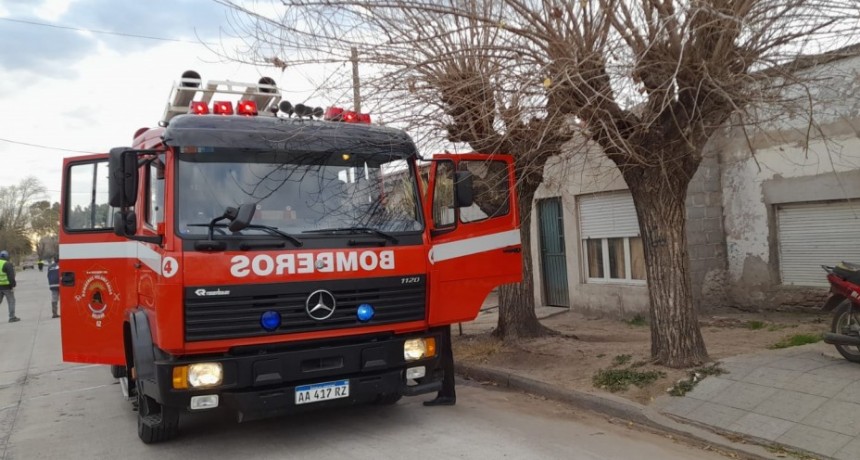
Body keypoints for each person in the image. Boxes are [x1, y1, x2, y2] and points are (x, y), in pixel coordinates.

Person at [424, 325, 456, 406]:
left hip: (437, 319)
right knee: (444, 350)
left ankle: (446, 394)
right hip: (441, 319)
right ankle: (447, 393)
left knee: (441, 350)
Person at [0, 250, 18, 323]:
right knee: (11, 301)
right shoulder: (7, 264)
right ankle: (12, 317)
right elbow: (11, 276)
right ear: (7, 256)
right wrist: (13, 285)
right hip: (7, 286)